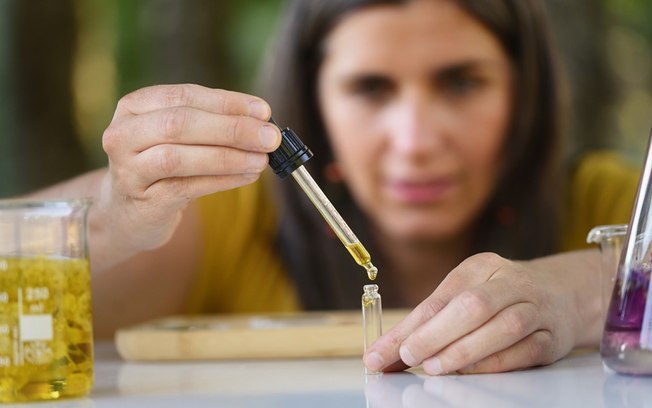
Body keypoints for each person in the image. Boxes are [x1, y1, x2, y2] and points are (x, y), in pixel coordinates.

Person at [28, 0, 640, 375]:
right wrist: (112, 216)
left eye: (460, 83)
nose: (416, 139)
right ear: (315, 108)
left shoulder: (606, 208)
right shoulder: (229, 221)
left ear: (522, 94)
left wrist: (590, 292)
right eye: (370, 88)